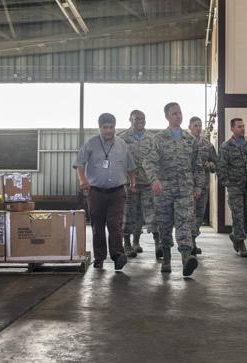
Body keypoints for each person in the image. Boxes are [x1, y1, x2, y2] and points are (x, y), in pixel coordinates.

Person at [143, 102, 203, 276]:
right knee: (165, 225)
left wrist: (198, 186)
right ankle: (167, 258)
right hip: (164, 191)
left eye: (180, 112)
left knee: (185, 223)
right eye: (174, 113)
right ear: (167, 116)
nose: (179, 116)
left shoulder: (190, 140)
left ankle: (186, 258)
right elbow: (149, 162)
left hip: (185, 190)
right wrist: (154, 180)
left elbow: (197, 166)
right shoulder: (158, 139)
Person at [74, 113, 136, 270]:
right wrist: (83, 179)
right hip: (96, 192)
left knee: (115, 224)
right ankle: (100, 257)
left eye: (111, 127)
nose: (108, 131)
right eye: (105, 127)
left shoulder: (122, 144)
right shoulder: (91, 144)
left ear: (115, 127)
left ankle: (117, 256)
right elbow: (79, 163)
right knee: (98, 226)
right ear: (99, 127)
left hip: (117, 192)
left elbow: (130, 166)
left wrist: (133, 182)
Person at [117, 110, 160, 259]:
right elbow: (119, 162)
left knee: (150, 214)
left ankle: (150, 243)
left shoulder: (152, 138)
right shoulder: (122, 138)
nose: (140, 121)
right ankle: (127, 244)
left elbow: (157, 161)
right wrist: (125, 181)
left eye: (143, 118)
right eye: (137, 119)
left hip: (148, 183)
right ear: (130, 119)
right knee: (129, 214)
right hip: (130, 184)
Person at [218, 118, 247, 258]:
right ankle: (241, 244)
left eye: (243, 125)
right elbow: (221, 166)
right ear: (232, 129)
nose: (242, 128)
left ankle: (235, 234)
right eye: (239, 126)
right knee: (238, 216)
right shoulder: (226, 146)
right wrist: (227, 182)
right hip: (235, 186)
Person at [188, 116, 218, 255]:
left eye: (200, 125)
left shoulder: (207, 145)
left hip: (203, 186)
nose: (198, 128)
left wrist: (210, 165)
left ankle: (193, 239)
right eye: (195, 125)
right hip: (187, 186)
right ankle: (188, 242)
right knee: (189, 215)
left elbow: (216, 164)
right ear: (190, 127)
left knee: (199, 214)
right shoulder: (185, 143)